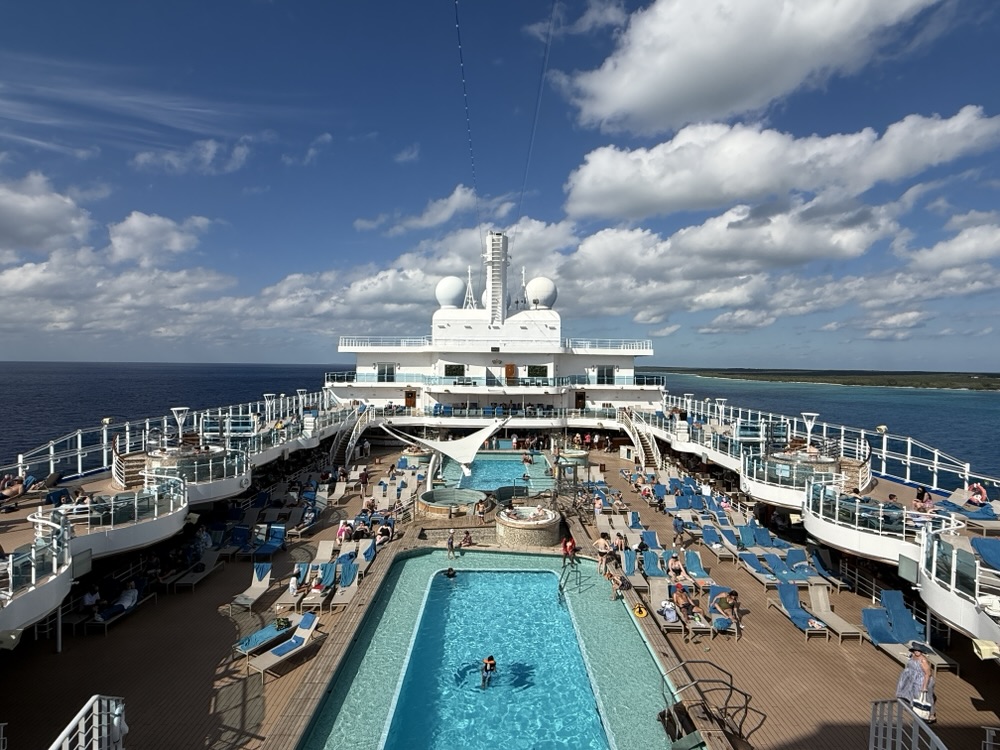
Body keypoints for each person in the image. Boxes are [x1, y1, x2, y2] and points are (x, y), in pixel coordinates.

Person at [896, 642, 936, 722]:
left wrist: (924, 686)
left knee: (927, 697)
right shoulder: (913, 656)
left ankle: (930, 715)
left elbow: (928, 673)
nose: (917, 652)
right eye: (915, 650)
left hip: (924, 679)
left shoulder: (923, 660)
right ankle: (917, 711)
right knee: (913, 694)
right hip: (914, 679)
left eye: (919, 651)